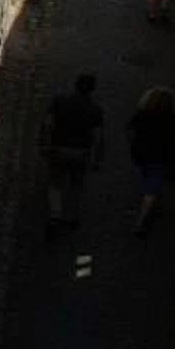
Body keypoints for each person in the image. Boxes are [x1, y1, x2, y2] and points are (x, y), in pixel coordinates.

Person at [44, 73, 105, 231]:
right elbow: (97, 136)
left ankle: (55, 214)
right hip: (81, 152)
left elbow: (49, 124)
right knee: (76, 185)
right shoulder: (95, 109)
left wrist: (46, 143)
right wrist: (96, 158)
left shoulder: (59, 101)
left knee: (55, 183)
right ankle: (72, 216)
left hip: (59, 148)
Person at [130, 86, 175, 234]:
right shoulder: (172, 119)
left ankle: (151, 208)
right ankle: (141, 221)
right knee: (153, 188)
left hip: (142, 155)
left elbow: (131, 130)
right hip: (161, 156)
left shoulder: (142, 115)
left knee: (149, 180)